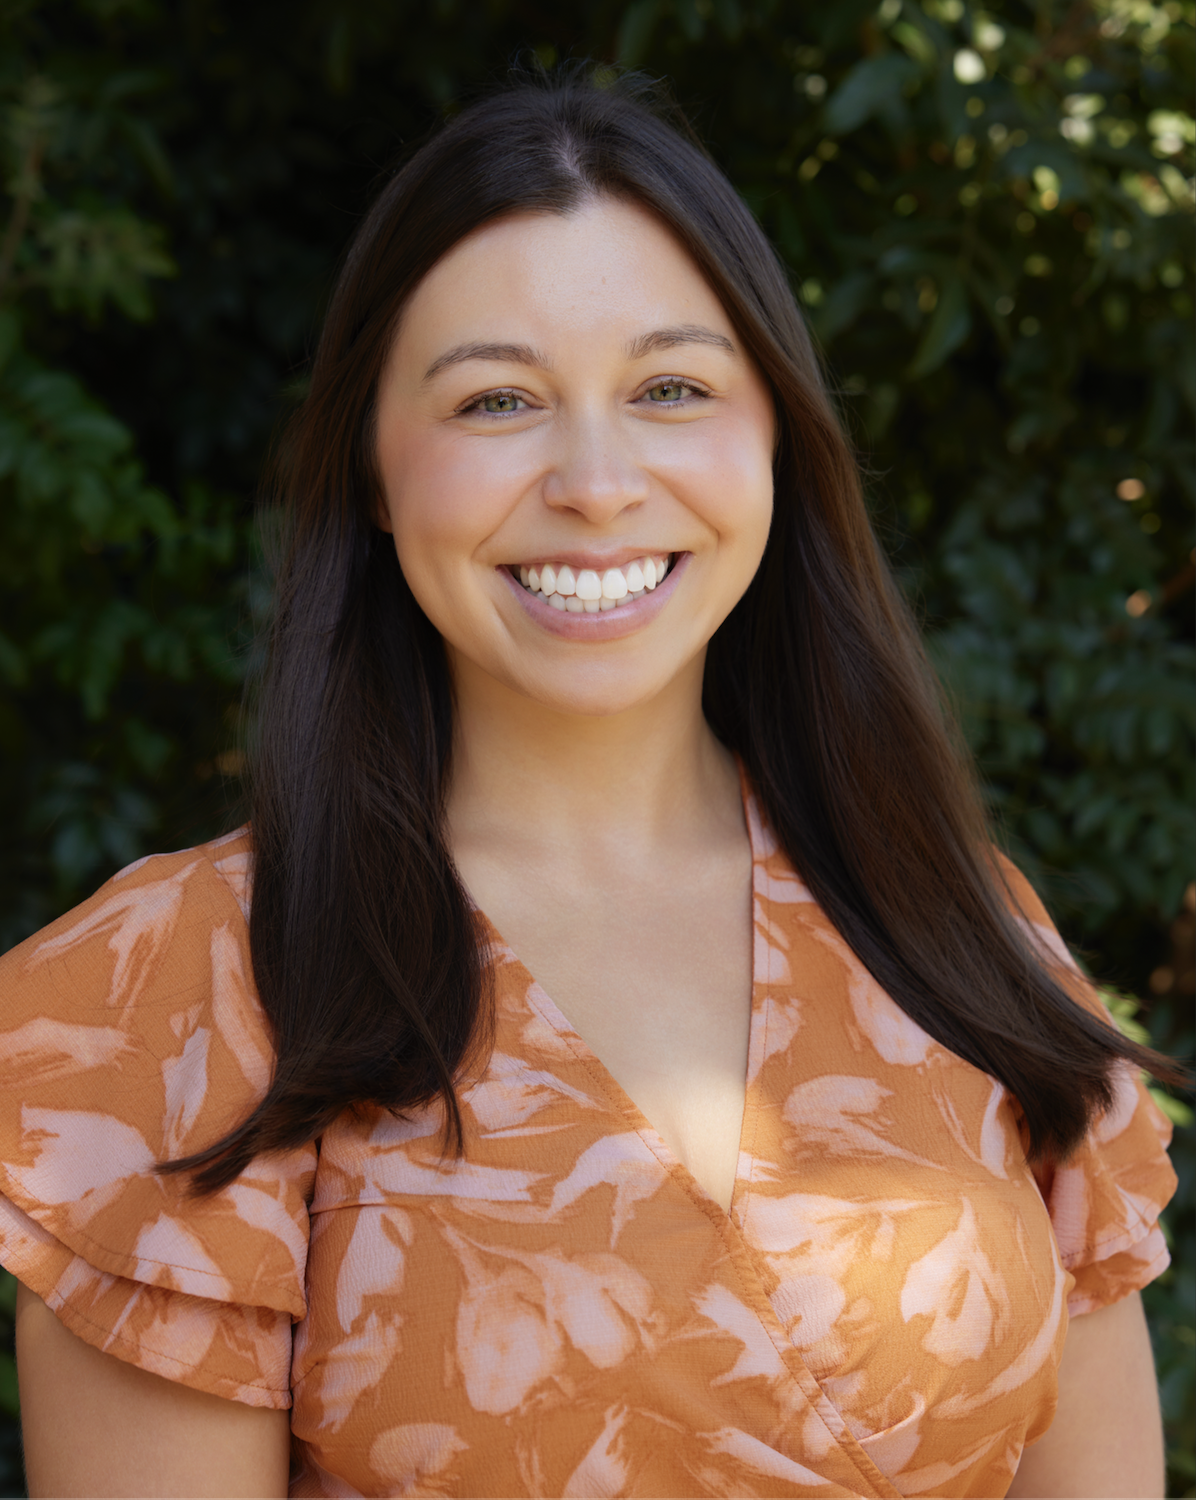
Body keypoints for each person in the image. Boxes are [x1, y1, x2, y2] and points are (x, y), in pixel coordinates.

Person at [1, 71, 1179, 1499]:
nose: (598, 480)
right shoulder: (177, 991)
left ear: (777, 442)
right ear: (373, 471)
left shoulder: (957, 923)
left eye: (670, 388)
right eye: (497, 400)